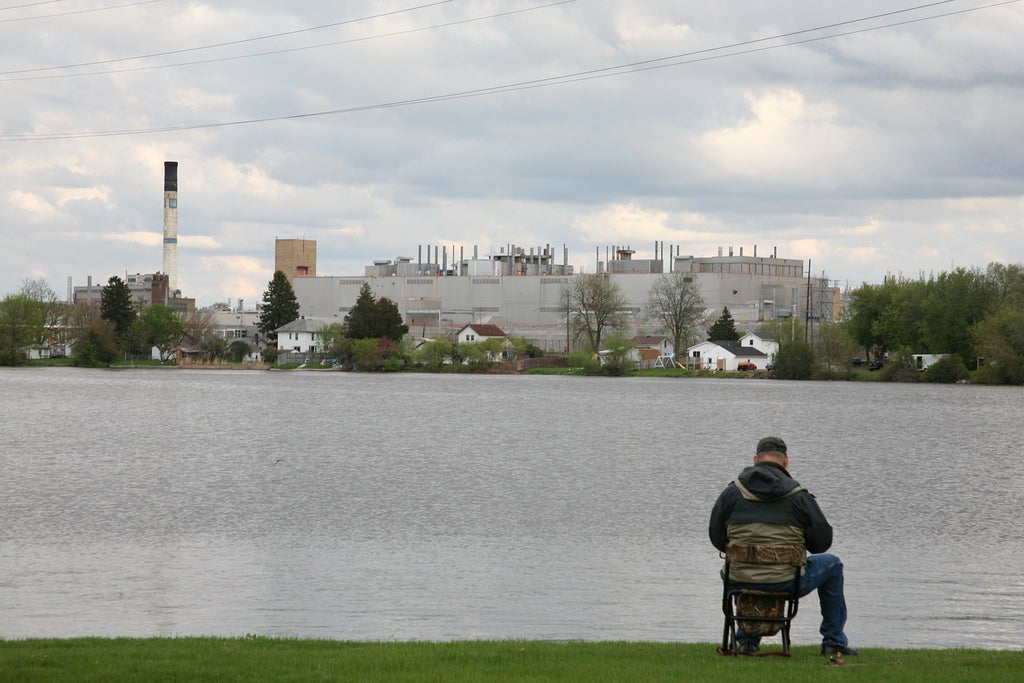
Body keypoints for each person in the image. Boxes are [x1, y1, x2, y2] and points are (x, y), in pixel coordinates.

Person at [709, 436, 858, 656]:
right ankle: (833, 641)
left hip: (738, 580)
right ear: (786, 460)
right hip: (786, 582)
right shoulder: (799, 497)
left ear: (755, 459)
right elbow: (822, 543)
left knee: (750, 572)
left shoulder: (731, 494)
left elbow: (716, 538)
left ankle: (747, 641)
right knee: (833, 564)